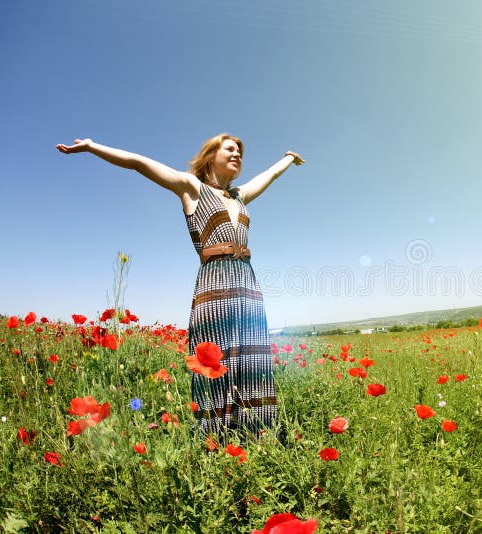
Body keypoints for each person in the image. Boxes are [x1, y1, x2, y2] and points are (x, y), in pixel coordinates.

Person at [56, 135, 304, 438]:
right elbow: (139, 164)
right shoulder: (192, 188)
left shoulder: (240, 196)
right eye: (230, 149)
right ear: (211, 155)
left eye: (240, 151)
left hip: (246, 282)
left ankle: (257, 434)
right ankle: (216, 439)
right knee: (217, 358)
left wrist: (289, 159)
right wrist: (92, 147)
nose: (237, 154)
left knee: (253, 358)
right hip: (215, 282)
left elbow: (270, 175)